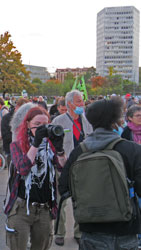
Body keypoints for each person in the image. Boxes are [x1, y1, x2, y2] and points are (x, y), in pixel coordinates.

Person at [58, 97, 141, 250]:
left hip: (91, 229)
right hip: (126, 228)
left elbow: (63, 188)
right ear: (116, 120)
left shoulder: (80, 152)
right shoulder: (132, 150)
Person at [5, 106, 66, 250]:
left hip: (44, 208)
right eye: (37, 125)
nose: (42, 129)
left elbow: (63, 167)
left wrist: (60, 149)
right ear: (27, 125)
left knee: (42, 246)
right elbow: (23, 168)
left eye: (45, 125)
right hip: (22, 207)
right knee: (18, 245)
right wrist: (36, 143)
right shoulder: (17, 145)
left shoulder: (50, 147)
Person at [51, 90, 93, 246]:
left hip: (83, 166)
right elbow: (51, 144)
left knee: (81, 201)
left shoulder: (87, 120)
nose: (82, 104)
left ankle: (79, 231)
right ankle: (60, 232)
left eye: (82, 101)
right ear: (69, 104)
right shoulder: (58, 121)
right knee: (61, 200)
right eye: (78, 101)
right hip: (62, 168)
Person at [1, 98, 28, 169]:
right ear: (17, 107)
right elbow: (5, 135)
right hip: (11, 150)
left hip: (26, 151)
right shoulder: (7, 118)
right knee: (13, 173)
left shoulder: (28, 118)